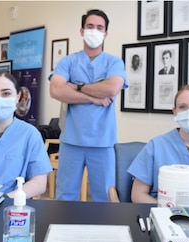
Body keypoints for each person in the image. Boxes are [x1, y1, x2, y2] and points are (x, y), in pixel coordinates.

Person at [49, 9, 128, 202]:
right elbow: (56, 90)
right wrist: (93, 98)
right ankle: (64, 232)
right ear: (82, 30)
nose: (94, 31)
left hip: (103, 142)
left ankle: (103, 233)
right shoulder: (68, 61)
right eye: (90, 26)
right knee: (65, 197)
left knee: (105, 197)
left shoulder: (113, 62)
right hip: (71, 141)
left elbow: (111, 88)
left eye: (99, 27)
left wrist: (76, 86)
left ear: (106, 33)